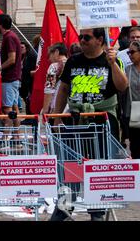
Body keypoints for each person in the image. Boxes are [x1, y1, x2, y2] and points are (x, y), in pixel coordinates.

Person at [51, 28, 128, 221]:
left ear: (100, 39)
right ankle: (65, 206)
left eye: (87, 37)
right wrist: (58, 117)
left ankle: (97, 211)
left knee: (98, 167)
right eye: (81, 37)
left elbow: (122, 86)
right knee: (68, 167)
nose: (82, 41)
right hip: (74, 121)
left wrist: (113, 65)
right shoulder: (74, 61)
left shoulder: (112, 60)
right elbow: (63, 90)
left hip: (101, 122)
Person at [0, 14, 22, 128]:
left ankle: (6, 137)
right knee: (14, 108)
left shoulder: (9, 37)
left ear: (0, 25)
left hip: (9, 78)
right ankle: (16, 136)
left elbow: (12, 59)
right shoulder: (12, 36)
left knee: (7, 108)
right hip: (13, 78)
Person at [42, 43, 68, 114]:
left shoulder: (53, 66)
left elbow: (49, 88)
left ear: (56, 52)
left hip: (57, 107)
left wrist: (45, 109)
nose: (49, 59)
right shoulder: (73, 64)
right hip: (70, 106)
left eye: (49, 55)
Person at [125, 40, 140, 159]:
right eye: (128, 52)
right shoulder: (127, 70)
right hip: (135, 110)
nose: (130, 55)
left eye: (132, 52)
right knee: (135, 145)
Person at [19, 41, 37, 115]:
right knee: (25, 98)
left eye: (22, 47)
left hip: (30, 81)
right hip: (24, 81)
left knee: (29, 99)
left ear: (26, 47)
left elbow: (32, 68)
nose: (20, 49)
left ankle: (31, 116)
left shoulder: (31, 55)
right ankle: (28, 116)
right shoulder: (22, 56)